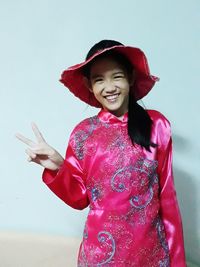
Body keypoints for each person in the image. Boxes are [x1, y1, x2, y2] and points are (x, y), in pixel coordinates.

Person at [16, 40, 186, 266]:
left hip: (150, 253)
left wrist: (177, 261)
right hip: (100, 255)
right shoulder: (83, 134)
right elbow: (79, 199)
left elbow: (167, 197)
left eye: (117, 76)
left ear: (131, 77)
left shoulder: (156, 125)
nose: (109, 87)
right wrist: (58, 166)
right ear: (89, 85)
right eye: (99, 79)